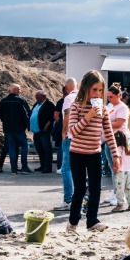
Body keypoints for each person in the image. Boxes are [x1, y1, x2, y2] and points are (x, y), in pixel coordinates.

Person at [66, 70, 117, 233]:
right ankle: (73, 222)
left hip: (95, 153)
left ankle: (92, 222)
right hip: (77, 153)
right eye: (94, 89)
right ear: (85, 88)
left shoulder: (102, 108)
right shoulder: (76, 106)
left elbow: (108, 132)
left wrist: (115, 155)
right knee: (80, 189)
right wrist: (87, 116)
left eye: (100, 90)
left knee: (96, 188)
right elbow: (72, 132)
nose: (97, 93)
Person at [0, 83, 31, 173]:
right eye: (19, 89)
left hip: (8, 129)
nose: (20, 91)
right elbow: (26, 113)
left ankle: (13, 168)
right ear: (15, 90)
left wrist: (5, 121)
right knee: (24, 146)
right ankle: (24, 167)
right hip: (19, 128)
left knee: (11, 147)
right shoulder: (20, 100)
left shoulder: (3, 101)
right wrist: (26, 125)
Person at [55, 77, 77, 205]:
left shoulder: (68, 99)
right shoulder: (85, 97)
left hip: (70, 137)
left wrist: (64, 132)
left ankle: (68, 199)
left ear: (67, 88)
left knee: (66, 168)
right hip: (83, 138)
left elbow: (67, 116)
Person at [110, 130, 130, 212]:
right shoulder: (129, 149)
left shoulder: (118, 149)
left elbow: (118, 160)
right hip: (128, 171)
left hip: (120, 171)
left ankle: (120, 204)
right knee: (128, 188)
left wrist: (115, 169)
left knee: (119, 189)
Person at [33, 89, 57, 175]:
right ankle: (42, 165)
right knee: (39, 149)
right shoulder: (36, 104)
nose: (36, 98)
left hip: (44, 131)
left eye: (37, 96)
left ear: (43, 96)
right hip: (36, 131)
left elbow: (53, 116)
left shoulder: (49, 105)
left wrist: (47, 125)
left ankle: (47, 166)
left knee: (46, 148)